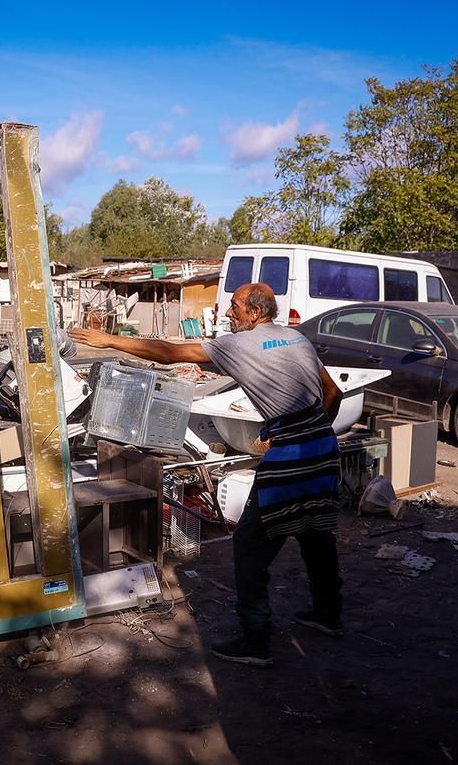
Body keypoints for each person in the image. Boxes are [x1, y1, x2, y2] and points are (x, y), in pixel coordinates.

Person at [68, 282, 343, 668]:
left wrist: (107, 340)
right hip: (323, 449)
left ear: (254, 312)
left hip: (290, 460)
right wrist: (305, 430)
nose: (228, 312)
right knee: (316, 532)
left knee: (249, 545)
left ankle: (256, 640)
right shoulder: (296, 339)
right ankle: (329, 614)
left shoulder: (236, 345)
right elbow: (333, 394)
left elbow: (167, 353)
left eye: (234, 306)